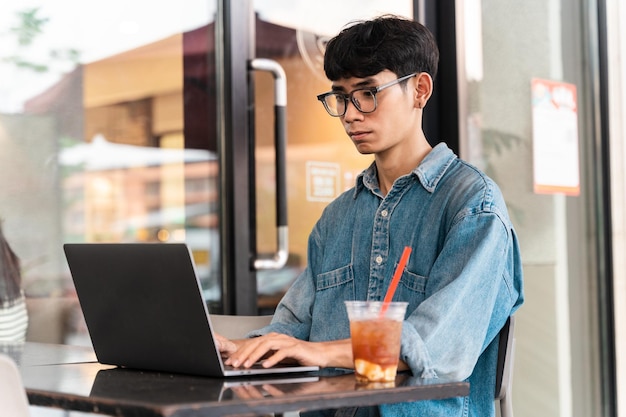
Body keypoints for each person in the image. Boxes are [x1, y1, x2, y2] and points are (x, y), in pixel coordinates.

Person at [216, 14, 524, 417]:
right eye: (340, 96)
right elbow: (291, 329)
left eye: (367, 93)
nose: (349, 114)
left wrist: (315, 351)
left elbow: (435, 348)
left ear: (420, 90)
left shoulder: (473, 206)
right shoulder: (337, 218)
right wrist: (239, 349)